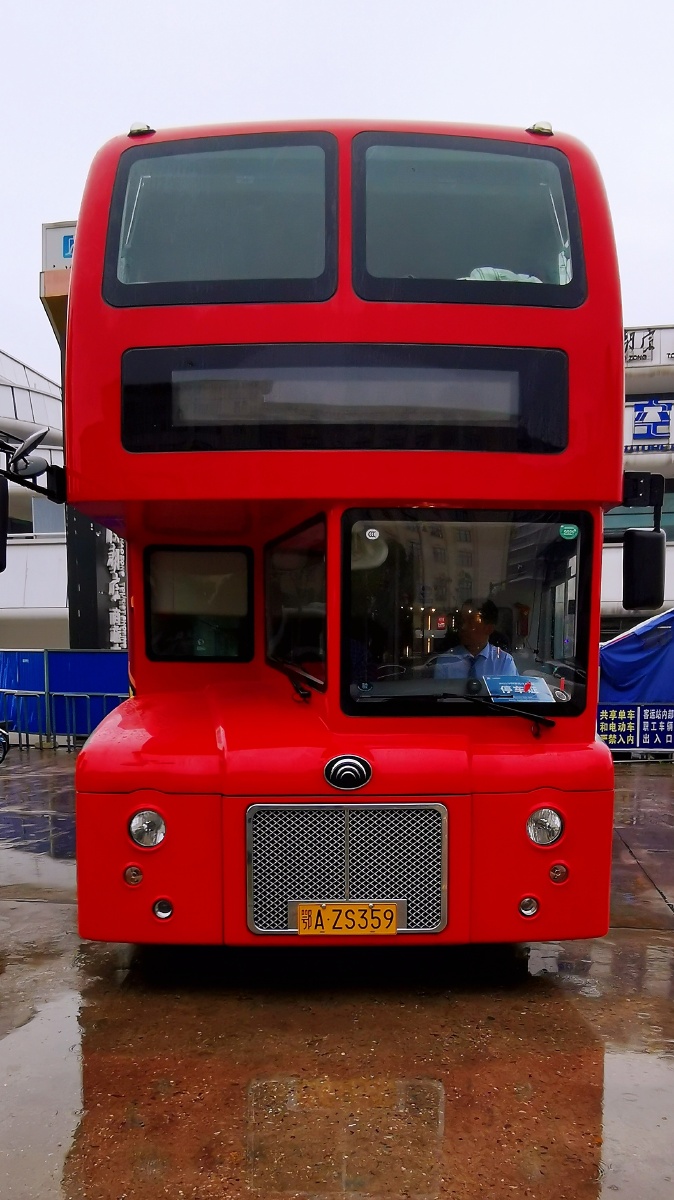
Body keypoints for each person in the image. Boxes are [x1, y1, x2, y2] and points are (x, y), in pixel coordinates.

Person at [433, 599, 517, 681]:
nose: (463, 627)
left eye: (471, 622)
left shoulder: (504, 662)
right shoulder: (445, 662)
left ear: (489, 628)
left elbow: (510, 693)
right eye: (462, 621)